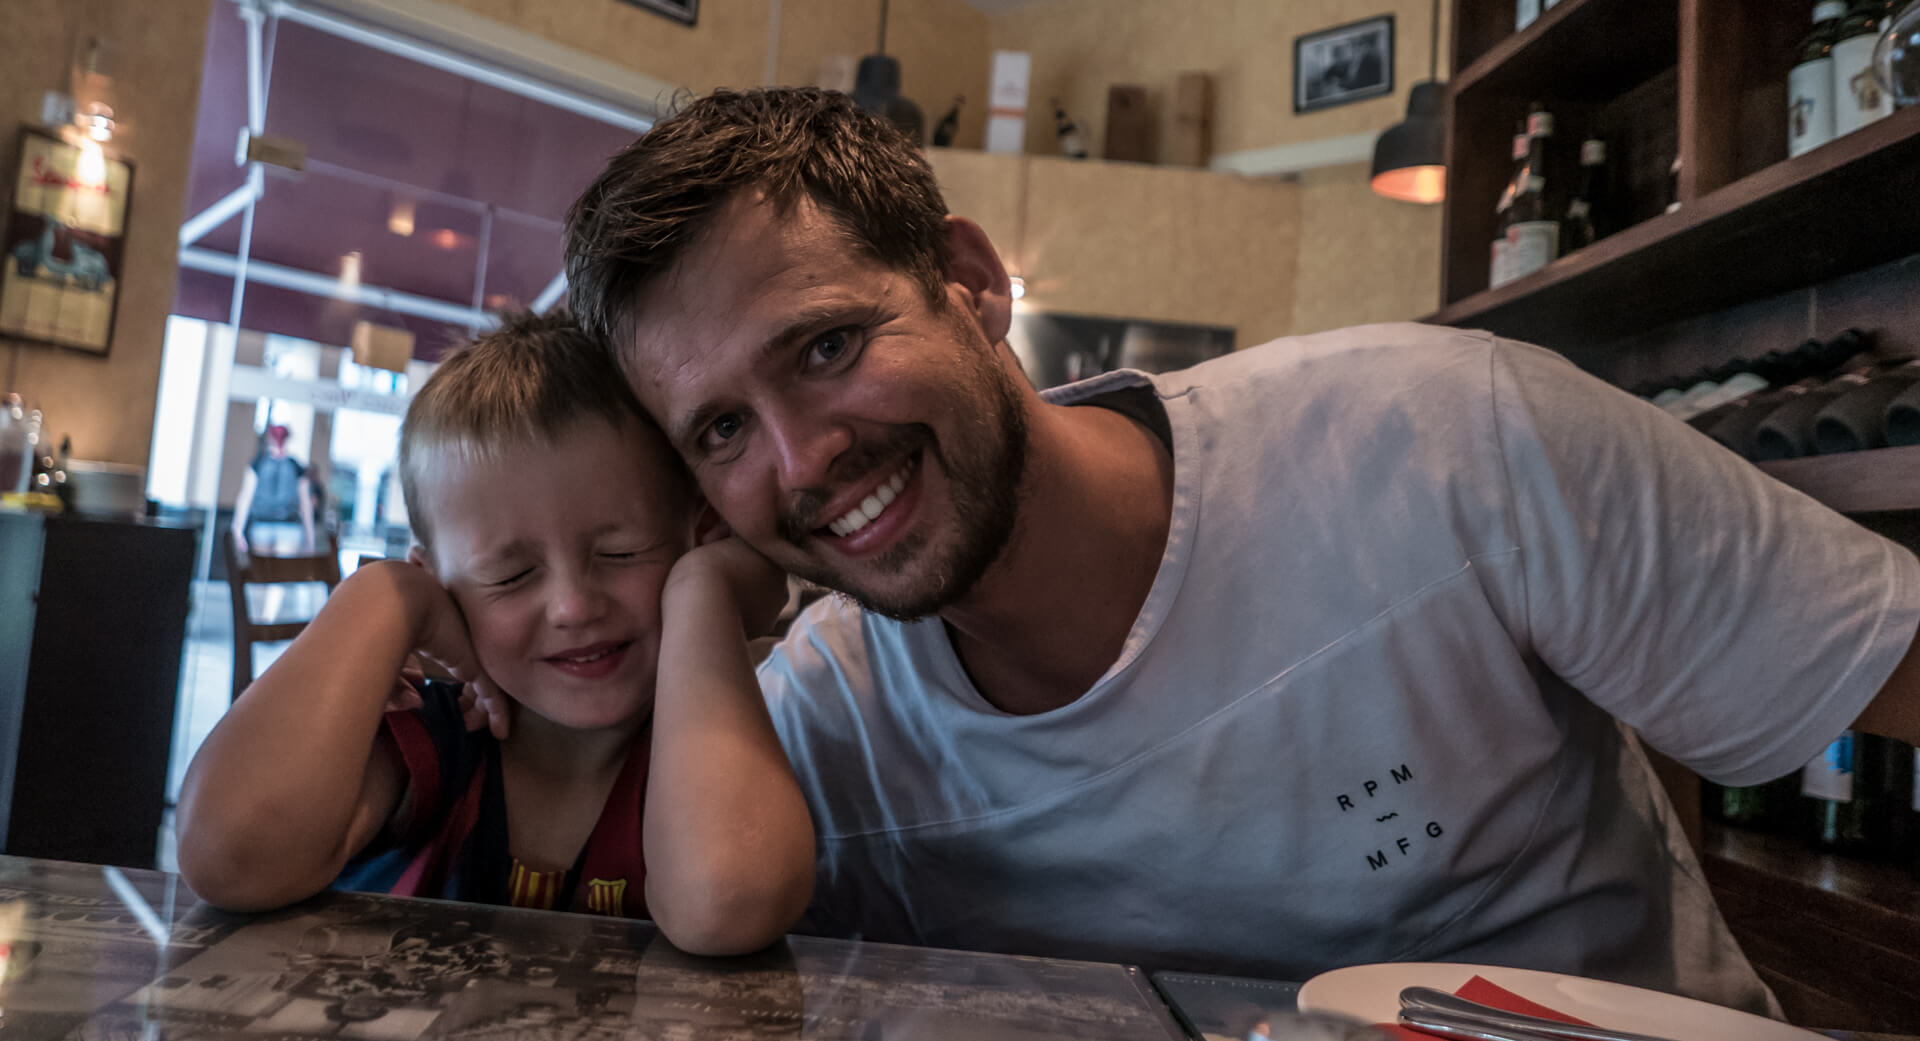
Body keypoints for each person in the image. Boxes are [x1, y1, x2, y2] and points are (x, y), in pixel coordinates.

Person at [558, 87, 1920, 1012]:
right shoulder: (815, 728)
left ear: (971, 285)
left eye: (828, 346)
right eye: (721, 428)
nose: (802, 460)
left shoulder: (1448, 441)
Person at [177, 311, 814, 956]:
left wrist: (705, 592)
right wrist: (388, 595)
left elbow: (729, 903)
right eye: (510, 575)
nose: (572, 606)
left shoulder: (708, 757)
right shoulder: (431, 738)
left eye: (622, 553)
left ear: (700, 535)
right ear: (440, 586)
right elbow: (229, 856)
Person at [230, 423, 316, 556]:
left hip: (262, 525)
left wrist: (237, 528)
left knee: (264, 568)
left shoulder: (258, 464)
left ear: (270, 438)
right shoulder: (296, 466)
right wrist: (310, 538)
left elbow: (246, 497)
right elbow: (305, 503)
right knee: (284, 568)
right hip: (289, 527)